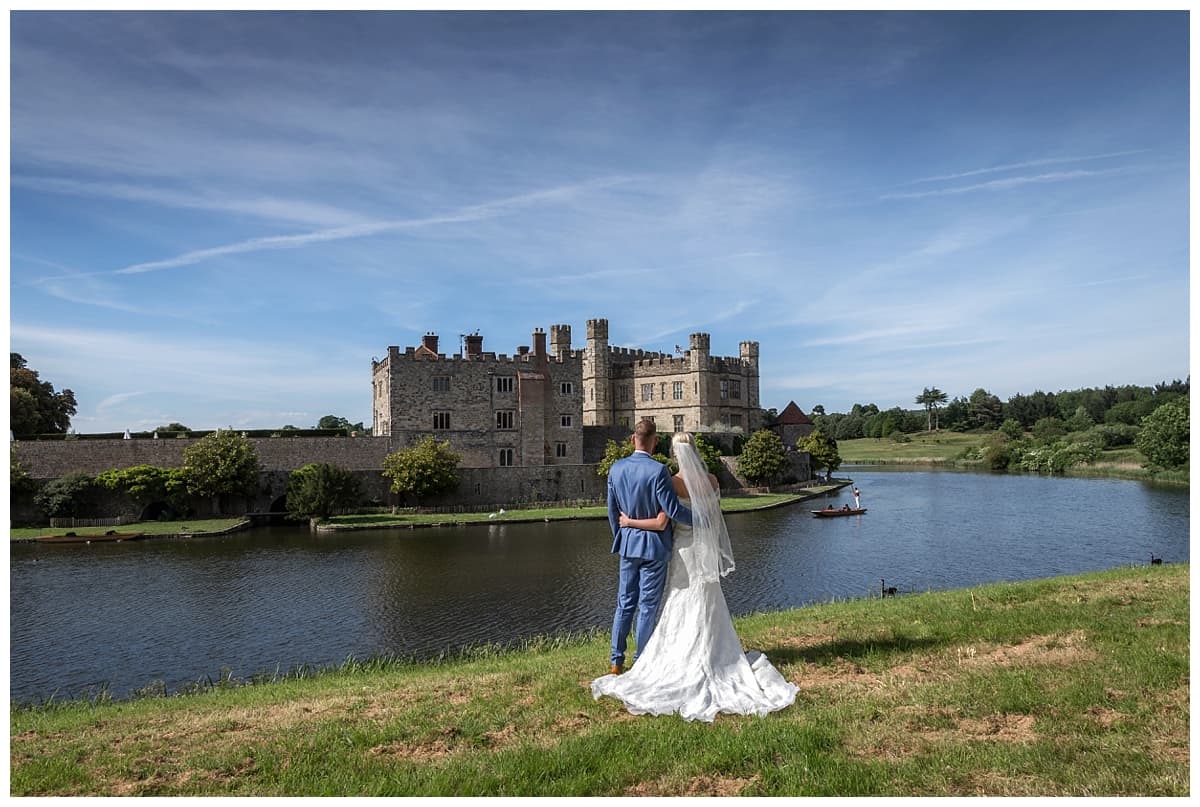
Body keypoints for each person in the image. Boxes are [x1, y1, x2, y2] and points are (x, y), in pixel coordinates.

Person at [592, 433, 798, 722]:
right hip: (703, 549)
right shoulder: (712, 480)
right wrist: (703, 522)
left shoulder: (671, 480)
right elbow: (709, 514)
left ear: (675, 454)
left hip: (679, 549)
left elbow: (666, 514)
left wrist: (624, 530)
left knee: (660, 601)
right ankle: (712, 652)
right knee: (704, 600)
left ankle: (622, 660)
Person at [602, 419, 692, 676]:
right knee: (648, 606)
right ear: (655, 441)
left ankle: (616, 661)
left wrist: (622, 536)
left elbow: (612, 512)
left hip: (628, 545)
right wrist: (702, 519)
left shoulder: (616, 469)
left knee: (624, 603)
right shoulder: (658, 471)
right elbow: (673, 510)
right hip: (654, 547)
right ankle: (641, 660)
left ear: (633, 439)